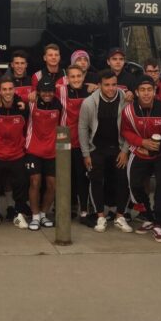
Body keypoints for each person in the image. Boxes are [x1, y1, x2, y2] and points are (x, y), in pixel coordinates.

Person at [121, 75, 161, 243]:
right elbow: (126, 131)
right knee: (134, 183)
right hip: (139, 151)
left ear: (155, 91)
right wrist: (142, 143)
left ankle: (159, 223)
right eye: (142, 90)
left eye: (149, 90)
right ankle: (148, 216)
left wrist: (154, 148)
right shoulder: (128, 110)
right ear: (136, 92)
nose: (146, 94)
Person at [78, 71, 134, 233]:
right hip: (97, 148)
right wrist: (86, 153)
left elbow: (130, 126)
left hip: (119, 147)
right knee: (96, 179)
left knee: (124, 179)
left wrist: (125, 151)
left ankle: (120, 216)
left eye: (114, 84)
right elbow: (82, 128)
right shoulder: (89, 103)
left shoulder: (125, 99)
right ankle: (100, 216)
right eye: (107, 85)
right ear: (100, 85)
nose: (111, 88)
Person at [0, 77, 31, 229]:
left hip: (17, 153)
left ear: (14, 90)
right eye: (4, 89)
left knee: (21, 185)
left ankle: (18, 214)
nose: (7, 92)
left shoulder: (22, 107)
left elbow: (36, 97)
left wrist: (21, 101)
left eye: (10, 89)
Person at [25, 80, 63, 231]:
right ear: (38, 91)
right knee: (35, 182)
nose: (47, 94)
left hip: (52, 151)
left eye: (50, 91)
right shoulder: (31, 103)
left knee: (52, 185)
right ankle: (34, 217)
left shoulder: (59, 104)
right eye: (44, 91)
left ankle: (43, 214)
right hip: (33, 150)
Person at [57, 65, 91, 222]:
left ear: (83, 77)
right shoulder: (61, 91)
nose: (76, 79)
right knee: (66, 177)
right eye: (73, 77)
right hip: (64, 142)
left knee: (82, 177)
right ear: (67, 78)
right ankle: (69, 208)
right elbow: (41, 92)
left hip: (84, 142)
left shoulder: (92, 91)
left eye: (79, 76)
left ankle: (84, 210)